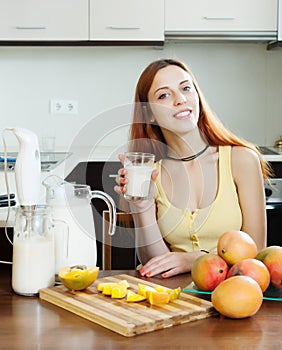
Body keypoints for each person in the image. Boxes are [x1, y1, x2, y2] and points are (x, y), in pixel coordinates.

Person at [114, 58, 270, 279]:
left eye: (186, 88)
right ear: (148, 112)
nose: (180, 100)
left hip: (237, 297)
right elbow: (155, 266)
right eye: (164, 95)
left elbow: (254, 254)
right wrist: (142, 208)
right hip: (176, 301)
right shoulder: (152, 174)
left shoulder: (241, 160)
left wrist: (192, 259)